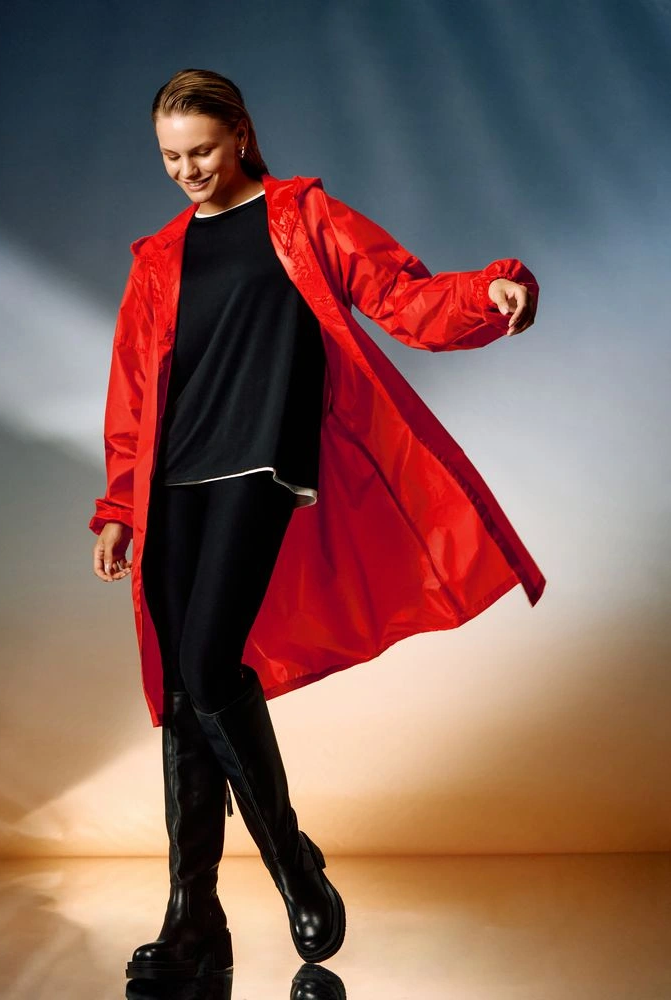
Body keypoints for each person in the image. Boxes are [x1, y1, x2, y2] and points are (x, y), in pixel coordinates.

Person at [90, 68, 541, 981]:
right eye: (171, 158)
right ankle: (192, 918)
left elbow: (401, 294)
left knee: (209, 662)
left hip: (260, 461)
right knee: (182, 691)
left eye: (202, 151)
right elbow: (134, 390)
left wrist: (489, 291)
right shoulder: (158, 257)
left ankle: (293, 862)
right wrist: (117, 508)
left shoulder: (303, 215)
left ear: (241, 134)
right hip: (173, 479)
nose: (188, 171)